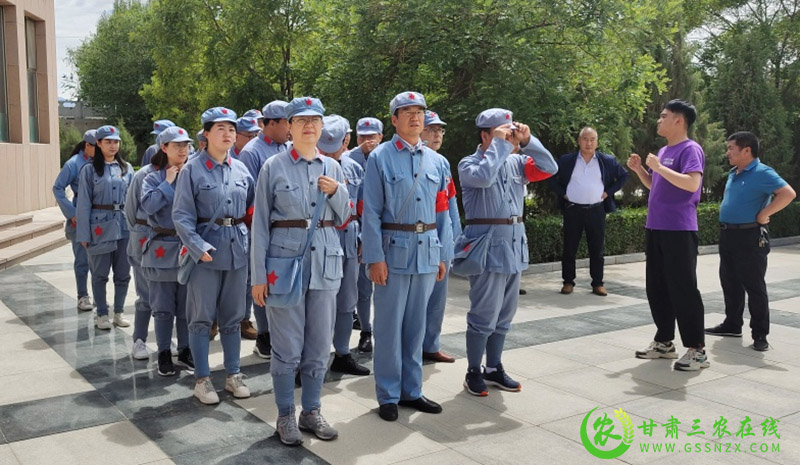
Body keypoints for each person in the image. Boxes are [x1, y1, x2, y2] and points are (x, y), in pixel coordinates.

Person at [251, 97, 350, 445]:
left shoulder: (334, 168)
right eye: (301, 120)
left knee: (319, 345)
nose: (309, 126)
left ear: (322, 128)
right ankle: (284, 415)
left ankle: (311, 410)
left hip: (324, 263)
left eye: (315, 121)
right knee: (287, 348)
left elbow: (345, 217)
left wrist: (337, 192)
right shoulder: (272, 167)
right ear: (289, 127)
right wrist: (258, 277)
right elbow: (260, 225)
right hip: (283, 264)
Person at [361, 91, 452, 422]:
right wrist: (374, 258)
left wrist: (444, 253)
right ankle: (387, 393)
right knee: (388, 328)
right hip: (393, 251)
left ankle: (412, 390)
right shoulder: (380, 157)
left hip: (427, 251)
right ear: (394, 119)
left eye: (420, 112)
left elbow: (444, 212)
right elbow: (370, 212)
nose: (416, 117)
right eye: (407, 112)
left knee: (416, 328)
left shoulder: (438, 162)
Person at [458, 108, 557, 396]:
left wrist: (529, 141)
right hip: (487, 246)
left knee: (505, 314)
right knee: (483, 314)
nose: (509, 138)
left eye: (511, 132)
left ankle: (494, 367)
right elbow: (485, 178)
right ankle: (473, 370)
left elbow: (550, 168)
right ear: (485, 135)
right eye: (503, 133)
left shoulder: (517, 162)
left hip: (514, 244)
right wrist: (500, 146)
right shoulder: (470, 163)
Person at [173, 107, 254, 404]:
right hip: (206, 253)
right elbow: (181, 216)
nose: (228, 134)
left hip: (237, 250)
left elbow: (252, 211)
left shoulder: (242, 170)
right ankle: (203, 379)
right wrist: (198, 247)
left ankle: (233, 375)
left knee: (233, 317)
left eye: (232, 129)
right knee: (201, 319)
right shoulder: (192, 170)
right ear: (206, 134)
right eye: (220, 128)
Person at [627, 99, 708, 371]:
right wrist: (642, 171)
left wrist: (660, 167)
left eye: (664, 116)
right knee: (657, 287)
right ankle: (664, 342)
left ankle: (697, 350)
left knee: (683, 289)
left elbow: (692, 184)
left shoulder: (691, 149)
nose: (658, 120)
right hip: (657, 228)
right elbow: (657, 185)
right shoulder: (664, 150)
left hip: (679, 230)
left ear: (679, 121)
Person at [705, 132, 796, 351]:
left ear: (747, 150)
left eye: (731, 148)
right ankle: (732, 324)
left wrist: (765, 213)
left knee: (754, 285)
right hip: (728, 235)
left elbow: (788, 193)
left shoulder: (763, 172)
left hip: (750, 236)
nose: (727, 152)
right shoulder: (734, 172)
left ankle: (760, 334)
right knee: (730, 281)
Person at [317, 115, 370, 376]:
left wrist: (363, 240)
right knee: (318, 302)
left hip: (349, 238)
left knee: (347, 301)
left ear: (346, 141)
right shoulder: (311, 165)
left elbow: (361, 207)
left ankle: (342, 353)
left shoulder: (353, 168)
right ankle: (311, 357)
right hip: (322, 240)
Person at [141, 126, 196, 375]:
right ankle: (164, 352)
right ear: (164, 148)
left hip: (187, 247)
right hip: (162, 247)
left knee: (187, 306)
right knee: (162, 307)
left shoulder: (194, 173)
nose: (183, 149)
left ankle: (185, 349)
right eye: (177, 145)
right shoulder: (152, 177)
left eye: (186, 145)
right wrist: (167, 183)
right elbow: (149, 206)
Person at [548, 127, 629, 296]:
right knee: (569, 248)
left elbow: (624, 176)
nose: (589, 143)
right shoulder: (567, 160)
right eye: (585, 139)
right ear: (579, 141)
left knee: (597, 249)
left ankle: (598, 283)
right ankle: (568, 282)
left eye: (592, 139)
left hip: (596, 210)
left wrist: (608, 192)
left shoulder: (606, 160)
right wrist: (563, 194)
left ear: (597, 142)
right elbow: (550, 177)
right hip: (573, 209)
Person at [239, 100, 291, 355]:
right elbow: (248, 197)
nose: (290, 128)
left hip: (288, 231)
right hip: (262, 227)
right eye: (286, 122)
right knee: (261, 280)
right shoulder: (252, 152)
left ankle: (280, 331)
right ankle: (264, 334)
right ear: (270, 123)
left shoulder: (290, 147)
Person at [76, 125, 134, 330]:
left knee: (123, 274)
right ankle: (101, 313)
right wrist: (83, 233)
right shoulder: (89, 171)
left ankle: (118, 312)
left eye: (116, 141)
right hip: (99, 227)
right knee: (100, 274)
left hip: (124, 225)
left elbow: (134, 200)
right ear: (98, 144)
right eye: (108, 141)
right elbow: (83, 204)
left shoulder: (126, 168)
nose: (113, 145)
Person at [419, 110, 461, 363]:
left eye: (439, 130)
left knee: (437, 299)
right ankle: (411, 347)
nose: (437, 134)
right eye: (431, 129)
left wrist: (456, 237)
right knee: (416, 300)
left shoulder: (443, 163)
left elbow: (451, 205)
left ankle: (431, 344)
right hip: (420, 240)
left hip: (441, 241)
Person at [346, 117, 384, 352]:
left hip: (387, 230)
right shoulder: (349, 159)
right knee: (362, 287)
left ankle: (386, 332)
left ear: (381, 136)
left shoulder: (389, 157)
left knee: (386, 288)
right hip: (360, 229)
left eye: (372, 136)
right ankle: (365, 331)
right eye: (362, 136)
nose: (368, 140)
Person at [53, 129, 97, 312]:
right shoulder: (73, 164)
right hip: (81, 216)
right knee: (82, 259)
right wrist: (72, 213)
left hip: (101, 217)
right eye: (98, 145)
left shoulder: (103, 163)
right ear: (87, 145)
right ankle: (82, 296)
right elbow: (58, 188)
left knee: (100, 261)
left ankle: (99, 297)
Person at [125, 139, 157, 360]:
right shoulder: (142, 175)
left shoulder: (183, 173)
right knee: (145, 293)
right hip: (144, 236)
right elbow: (130, 213)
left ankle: (165, 338)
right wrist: (139, 234)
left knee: (167, 295)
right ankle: (139, 339)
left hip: (170, 241)